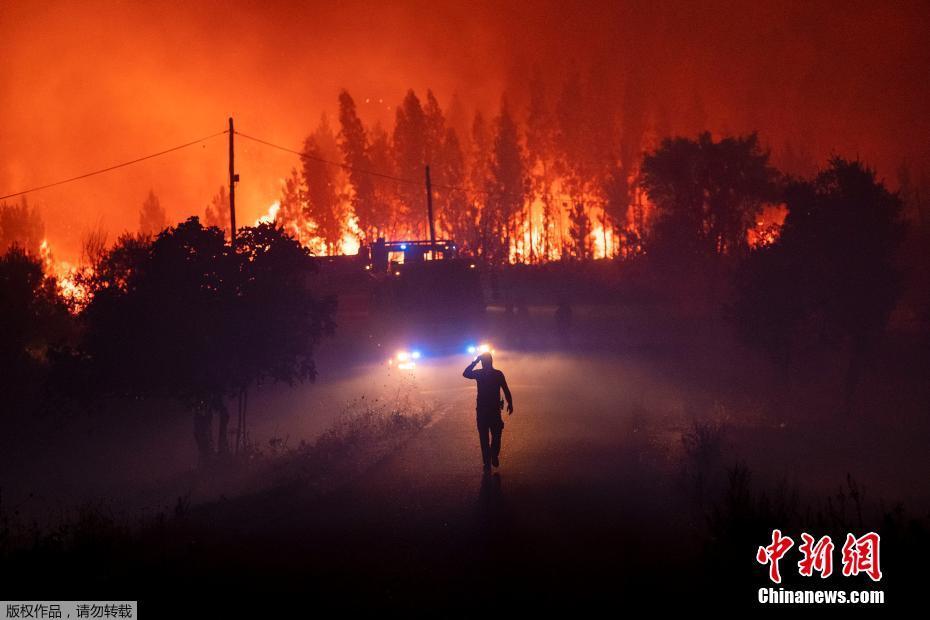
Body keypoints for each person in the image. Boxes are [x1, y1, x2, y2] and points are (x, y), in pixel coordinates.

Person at [463, 352, 514, 473]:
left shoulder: (480, 374)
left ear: (482, 362)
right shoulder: (498, 374)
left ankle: (487, 460)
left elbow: (465, 373)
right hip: (494, 411)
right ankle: (493, 455)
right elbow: (506, 389)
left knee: (484, 437)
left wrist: (475, 361)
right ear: (491, 361)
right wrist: (510, 403)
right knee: (496, 435)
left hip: (482, 410)